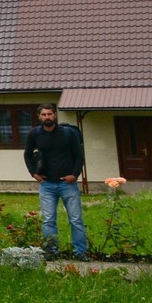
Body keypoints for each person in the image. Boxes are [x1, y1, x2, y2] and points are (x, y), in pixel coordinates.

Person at [22, 103, 88, 258]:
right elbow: (27, 154)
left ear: (55, 115)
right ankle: (51, 251)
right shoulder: (34, 134)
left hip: (68, 184)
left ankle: (80, 252)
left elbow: (79, 155)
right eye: (44, 115)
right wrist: (33, 173)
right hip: (47, 185)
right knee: (48, 220)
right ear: (39, 117)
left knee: (75, 219)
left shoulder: (68, 133)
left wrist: (75, 174)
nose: (47, 117)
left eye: (50, 114)